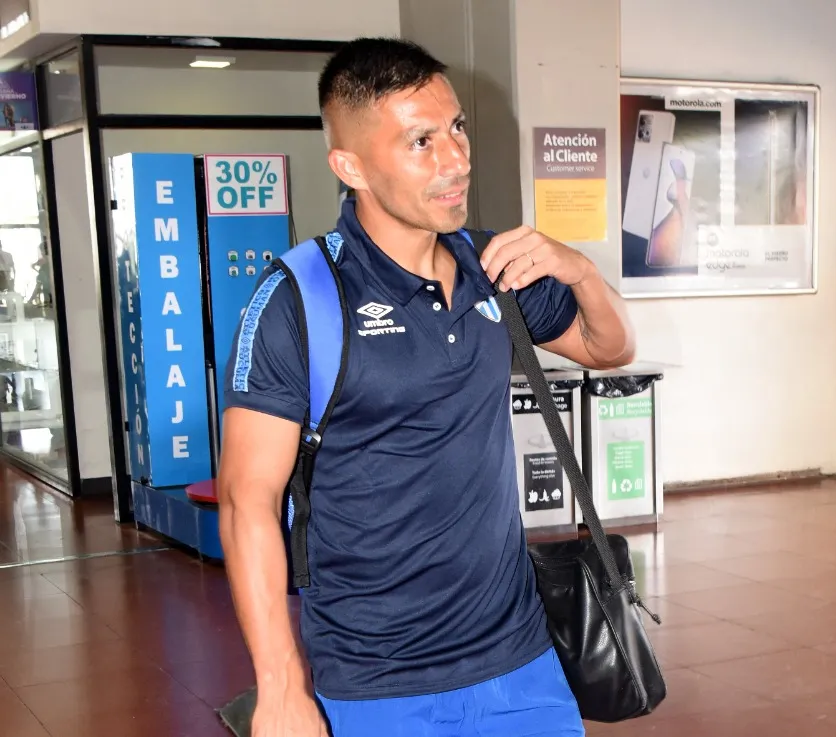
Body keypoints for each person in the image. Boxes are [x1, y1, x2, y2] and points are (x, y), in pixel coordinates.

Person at [217, 37, 636, 737]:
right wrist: (281, 687)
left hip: (521, 659)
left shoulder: (493, 266)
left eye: (457, 128)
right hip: (376, 681)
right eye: (420, 141)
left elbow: (609, 347)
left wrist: (580, 271)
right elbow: (244, 500)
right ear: (349, 165)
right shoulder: (299, 297)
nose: (455, 159)